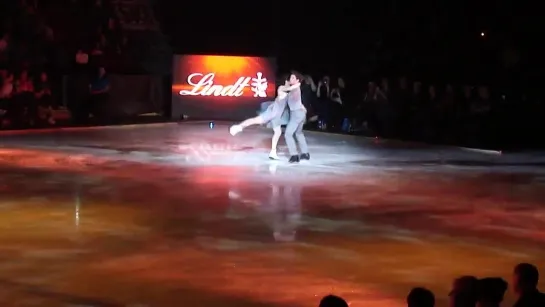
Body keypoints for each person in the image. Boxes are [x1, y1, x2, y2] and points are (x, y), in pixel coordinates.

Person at [229, 80, 295, 160]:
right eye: (289, 81)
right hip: (271, 113)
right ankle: (239, 127)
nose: (290, 83)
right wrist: (296, 85)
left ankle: (273, 152)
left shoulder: (288, 93)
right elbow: (290, 88)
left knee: (278, 132)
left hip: (277, 116)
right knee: (255, 120)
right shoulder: (281, 88)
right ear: (286, 81)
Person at [284, 71, 309, 163]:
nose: (291, 79)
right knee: (298, 133)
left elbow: (289, 89)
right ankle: (305, 153)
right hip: (299, 113)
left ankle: (294, 155)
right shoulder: (293, 89)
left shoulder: (296, 87)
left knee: (288, 134)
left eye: (293, 78)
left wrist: (286, 86)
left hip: (296, 114)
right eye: (290, 78)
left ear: (298, 80)